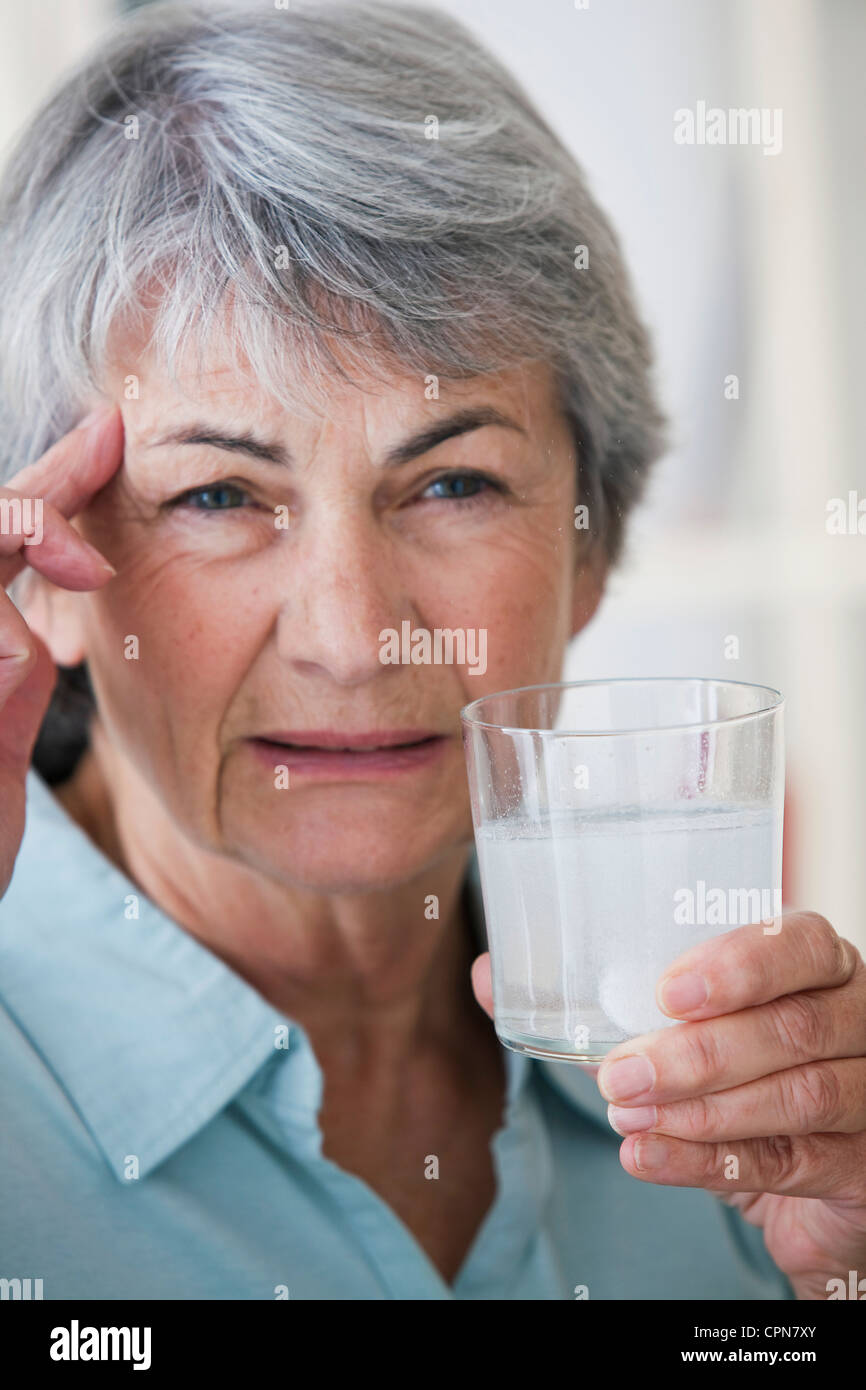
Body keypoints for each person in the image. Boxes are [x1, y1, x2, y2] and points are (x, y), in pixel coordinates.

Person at [0, 0, 862, 1301]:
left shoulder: (742, 1121)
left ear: (590, 550)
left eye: (452, 483)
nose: (353, 639)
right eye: (221, 498)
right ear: (45, 569)